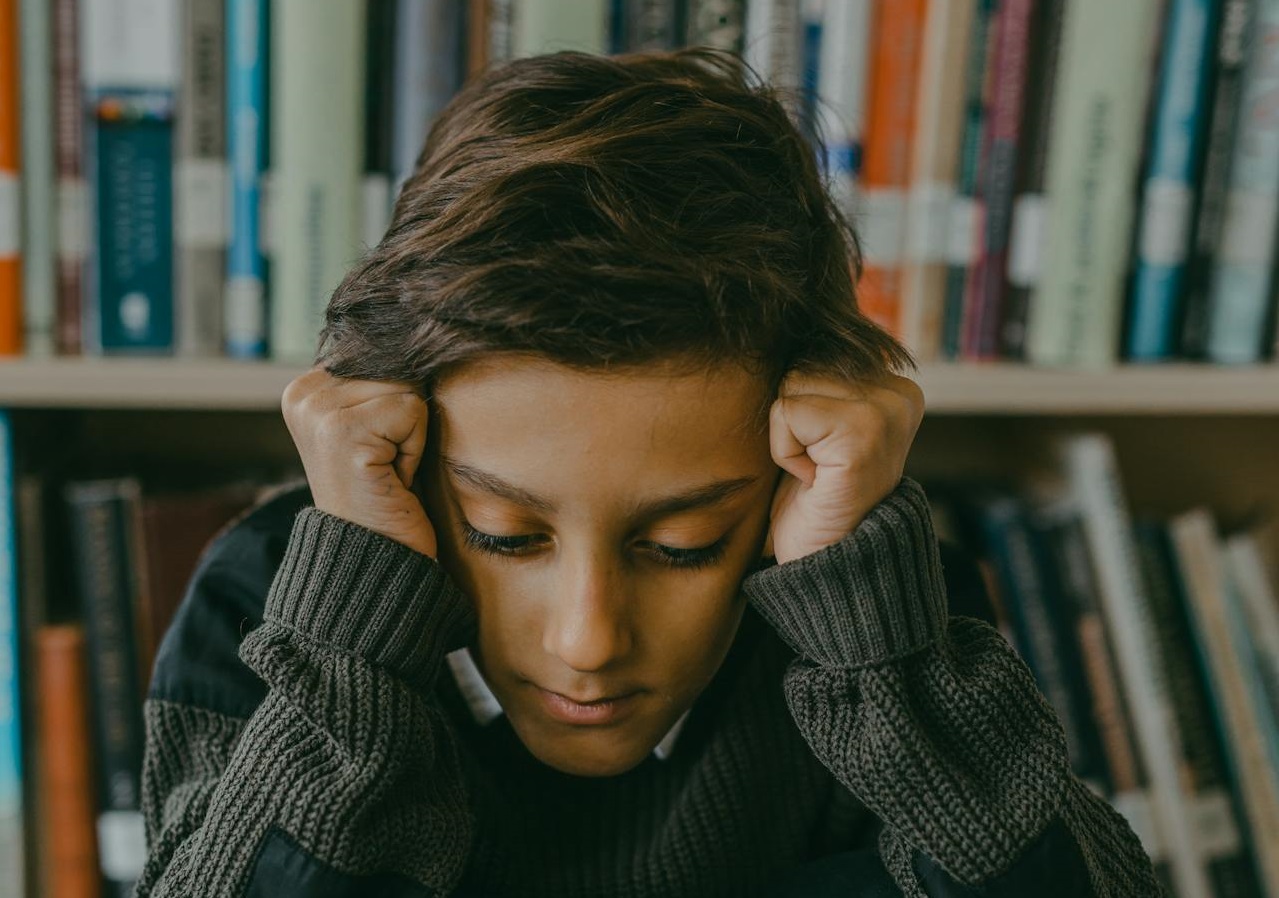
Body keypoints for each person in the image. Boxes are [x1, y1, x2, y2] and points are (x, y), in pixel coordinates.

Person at [136, 48, 1161, 896]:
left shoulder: (880, 615)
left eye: (683, 544)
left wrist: (879, 654)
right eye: (504, 533)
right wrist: (348, 651)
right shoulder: (277, 597)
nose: (587, 640)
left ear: (786, 476)